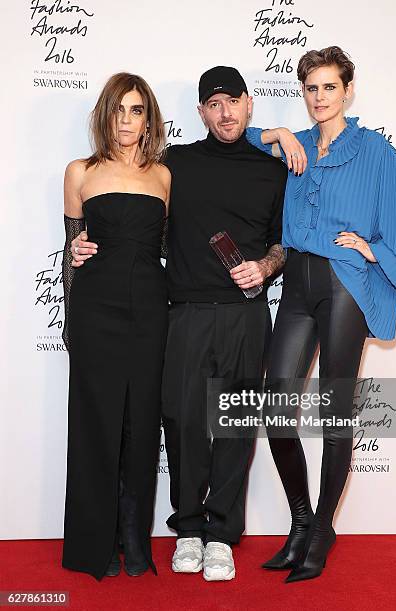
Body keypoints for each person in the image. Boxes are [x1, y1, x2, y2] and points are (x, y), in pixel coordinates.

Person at [70, 66, 288, 581]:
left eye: (233, 102)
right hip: (183, 312)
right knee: (184, 426)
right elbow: (130, 208)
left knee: (234, 429)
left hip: (246, 314)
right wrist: (82, 244)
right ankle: (188, 529)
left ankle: (222, 536)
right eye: (214, 104)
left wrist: (266, 265)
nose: (225, 112)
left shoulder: (274, 170)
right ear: (200, 112)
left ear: (249, 103)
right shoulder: (173, 165)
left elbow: (283, 243)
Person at [245, 46, 396, 582]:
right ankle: (302, 521)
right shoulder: (297, 145)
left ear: (348, 90)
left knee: (334, 409)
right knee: (276, 404)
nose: (319, 99)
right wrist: (278, 135)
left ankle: (324, 527)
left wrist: (376, 249)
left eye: (329, 87)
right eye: (310, 89)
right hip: (297, 287)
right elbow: (236, 131)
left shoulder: (372, 148)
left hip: (345, 285)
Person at [62, 72, 170, 580]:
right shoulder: (80, 171)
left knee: (141, 424)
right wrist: (69, 323)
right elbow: (71, 251)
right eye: (118, 109)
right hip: (94, 310)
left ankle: (134, 537)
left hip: (150, 308)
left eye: (137, 110)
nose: (126, 120)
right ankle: (97, 542)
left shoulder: (164, 177)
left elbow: (167, 248)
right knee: (95, 423)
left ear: (148, 119)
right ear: (105, 114)